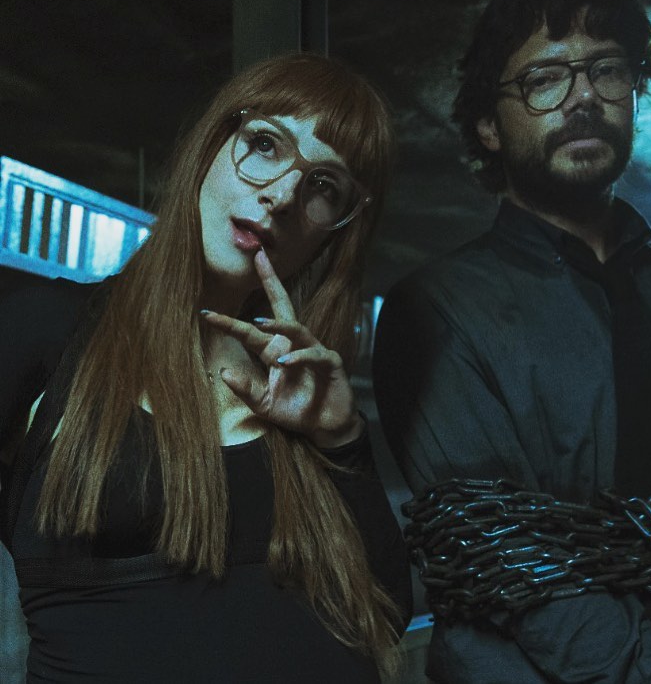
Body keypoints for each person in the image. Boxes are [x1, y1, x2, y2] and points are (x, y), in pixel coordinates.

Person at [373, 0, 651, 684]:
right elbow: (510, 557)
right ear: (488, 126)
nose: (583, 96)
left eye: (606, 71)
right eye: (543, 79)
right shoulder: (434, 312)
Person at [0, 52, 412, 682]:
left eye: (324, 187)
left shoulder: (301, 389)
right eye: (266, 145)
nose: (281, 195)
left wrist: (343, 440)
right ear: (211, 145)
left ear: (333, 235)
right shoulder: (47, 330)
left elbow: (385, 612)